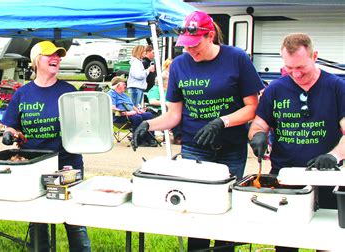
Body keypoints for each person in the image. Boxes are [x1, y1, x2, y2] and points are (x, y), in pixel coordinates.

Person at [132, 10, 264, 251]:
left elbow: (252, 108)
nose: (190, 51)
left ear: (210, 35)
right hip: (195, 149)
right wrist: (147, 124)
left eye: (195, 45)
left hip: (231, 149)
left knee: (226, 208)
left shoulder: (236, 58)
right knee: (194, 209)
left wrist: (221, 121)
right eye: (187, 46)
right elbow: (174, 115)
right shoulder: (181, 65)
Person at [248, 33, 345, 252]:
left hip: (325, 176)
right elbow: (258, 124)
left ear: (315, 56)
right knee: (285, 241)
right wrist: (258, 136)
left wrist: (334, 155)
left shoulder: (336, 87)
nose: (296, 74)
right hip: (285, 177)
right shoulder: (276, 88)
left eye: (301, 67)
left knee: (326, 240)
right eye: (289, 68)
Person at [0, 40, 91, 252]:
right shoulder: (23, 93)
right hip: (35, 165)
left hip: (67, 163)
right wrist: (11, 133)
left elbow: (85, 126)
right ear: (35, 61)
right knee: (38, 219)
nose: (56, 59)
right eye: (50, 55)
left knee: (74, 218)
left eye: (58, 56)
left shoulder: (69, 92)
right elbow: (11, 125)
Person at [109, 76, 157, 147]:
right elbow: (112, 108)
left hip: (131, 114)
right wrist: (127, 113)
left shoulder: (124, 95)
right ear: (117, 85)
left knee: (148, 115)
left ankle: (150, 139)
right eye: (123, 84)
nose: (125, 85)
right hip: (119, 117)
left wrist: (138, 110)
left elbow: (132, 105)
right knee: (137, 117)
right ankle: (137, 140)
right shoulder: (111, 94)